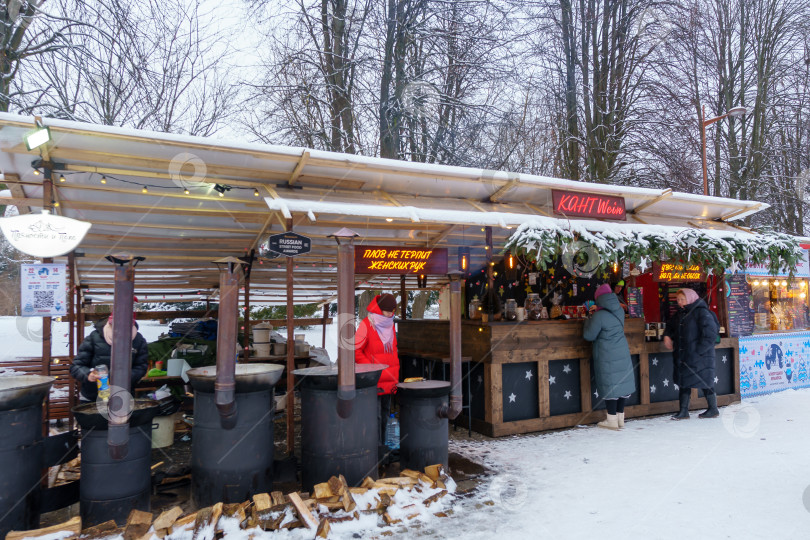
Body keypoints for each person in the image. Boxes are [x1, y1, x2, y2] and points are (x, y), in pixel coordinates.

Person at [583, 283, 636, 430]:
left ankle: (611, 420)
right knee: (621, 385)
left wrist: (588, 319)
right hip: (622, 350)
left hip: (607, 352)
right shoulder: (619, 310)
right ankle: (620, 418)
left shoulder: (599, 315)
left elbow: (589, 335)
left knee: (611, 385)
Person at [663, 288, 720, 420]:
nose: (680, 302)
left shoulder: (702, 313)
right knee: (684, 382)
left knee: (705, 381)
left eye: (682, 299)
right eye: (678, 300)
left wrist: (698, 351)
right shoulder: (680, 314)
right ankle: (683, 411)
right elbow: (670, 327)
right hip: (685, 355)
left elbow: (710, 334)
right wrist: (667, 335)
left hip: (701, 356)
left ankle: (713, 408)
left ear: (690, 298)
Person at [355, 293, 400, 448]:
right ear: (380, 309)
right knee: (375, 417)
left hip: (389, 378)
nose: (391, 314)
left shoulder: (390, 324)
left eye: (392, 311)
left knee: (386, 416)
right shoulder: (367, 324)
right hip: (374, 380)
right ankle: (373, 450)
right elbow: (356, 350)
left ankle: (384, 448)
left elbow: (392, 351)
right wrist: (371, 368)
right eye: (388, 311)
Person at [70, 314, 149, 402]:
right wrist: (88, 374)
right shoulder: (94, 337)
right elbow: (76, 366)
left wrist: (124, 376)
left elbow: (141, 367)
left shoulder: (138, 340)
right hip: (92, 397)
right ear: (110, 323)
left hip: (123, 397)